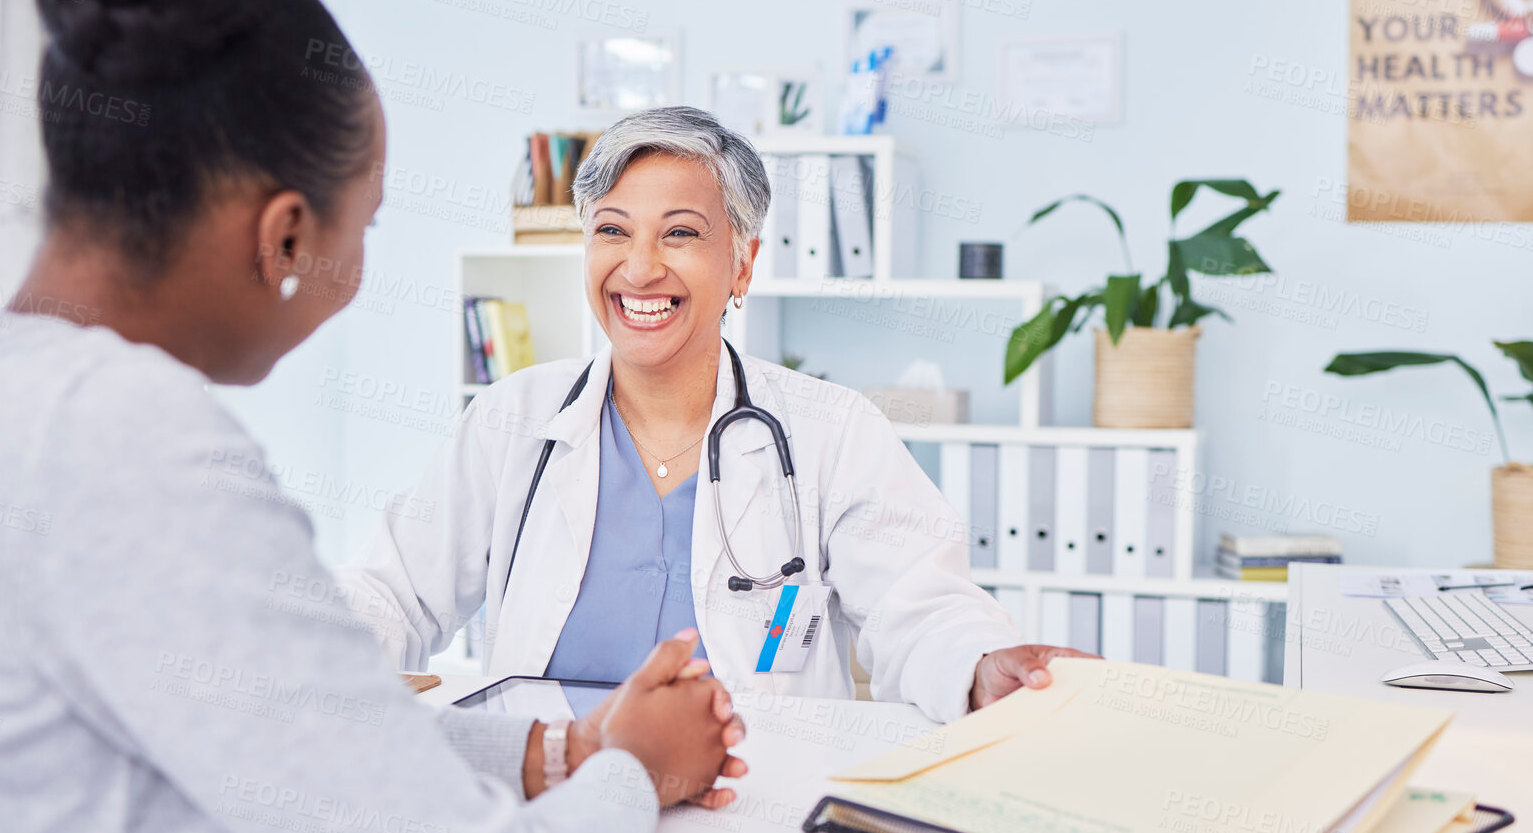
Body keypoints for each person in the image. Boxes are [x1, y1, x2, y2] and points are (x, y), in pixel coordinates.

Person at [0, 0, 744, 833]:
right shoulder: (133, 448)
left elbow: (293, 726)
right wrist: (632, 771)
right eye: (359, 228)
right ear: (285, 237)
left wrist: (556, 748)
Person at [342, 107, 1091, 723]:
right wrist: (318, 664)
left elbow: (920, 605)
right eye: (611, 230)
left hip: (747, 799)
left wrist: (979, 664)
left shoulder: (829, 431)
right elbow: (393, 591)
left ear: (742, 261)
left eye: (680, 233)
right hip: (544, 792)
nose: (638, 267)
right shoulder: (514, 419)